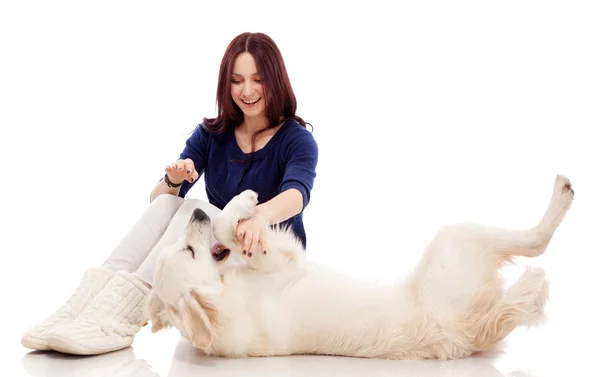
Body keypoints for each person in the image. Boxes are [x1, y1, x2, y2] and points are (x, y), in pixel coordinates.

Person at [21, 32, 318, 355]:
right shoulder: (212, 134)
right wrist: (173, 179)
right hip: (217, 256)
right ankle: (82, 308)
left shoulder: (296, 139)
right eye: (236, 81)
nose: (246, 91)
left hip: (265, 264)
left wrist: (260, 216)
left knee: (196, 210)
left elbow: (297, 194)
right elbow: (160, 202)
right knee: (173, 203)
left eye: (257, 80)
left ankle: (119, 319)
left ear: (275, 80)